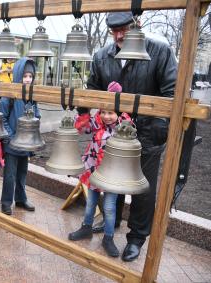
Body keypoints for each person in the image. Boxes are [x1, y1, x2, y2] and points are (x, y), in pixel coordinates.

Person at [86, 12, 177, 262]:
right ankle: (111, 221)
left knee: (143, 190)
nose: (118, 35)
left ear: (137, 24)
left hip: (147, 134)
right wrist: (83, 109)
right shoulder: (102, 56)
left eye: (123, 29)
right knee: (113, 182)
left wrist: (160, 127)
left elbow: (172, 94)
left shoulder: (160, 52)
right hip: (113, 134)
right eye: (113, 30)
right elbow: (92, 90)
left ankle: (136, 237)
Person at [68, 82, 131, 258]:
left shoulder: (125, 127)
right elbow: (82, 128)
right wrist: (83, 112)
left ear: (118, 112)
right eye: (103, 112)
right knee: (90, 203)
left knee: (110, 207)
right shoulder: (97, 121)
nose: (106, 116)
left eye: (110, 112)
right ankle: (86, 228)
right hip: (94, 169)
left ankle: (108, 238)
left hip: (112, 174)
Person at [0, 57, 39, 215]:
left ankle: (21, 199)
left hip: (26, 144)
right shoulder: (8, 96)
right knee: (9, 176)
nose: (28, 80)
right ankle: (6, 202)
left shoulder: (32, 97)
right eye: (25, 76)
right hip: (12, 144)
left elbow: (37, 114)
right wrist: (11, 137)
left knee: (22, 174)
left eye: (30, 76)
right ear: (17, 75)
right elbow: (1, 118)